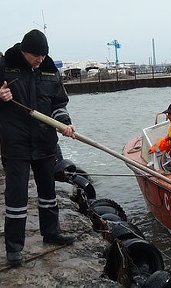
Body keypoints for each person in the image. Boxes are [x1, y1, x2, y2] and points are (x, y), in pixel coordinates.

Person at [0, 29, 76, 267]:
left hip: (45, 143)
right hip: (15, 144)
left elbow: (59, 103)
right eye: (35, 55)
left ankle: (51, 233)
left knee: (48, 193)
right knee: (17, 198)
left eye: (43, 55)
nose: (39, 59)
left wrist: (64, 124)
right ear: (24, 50)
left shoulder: (50, 69)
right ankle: (14, 249)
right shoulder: (5, 66)